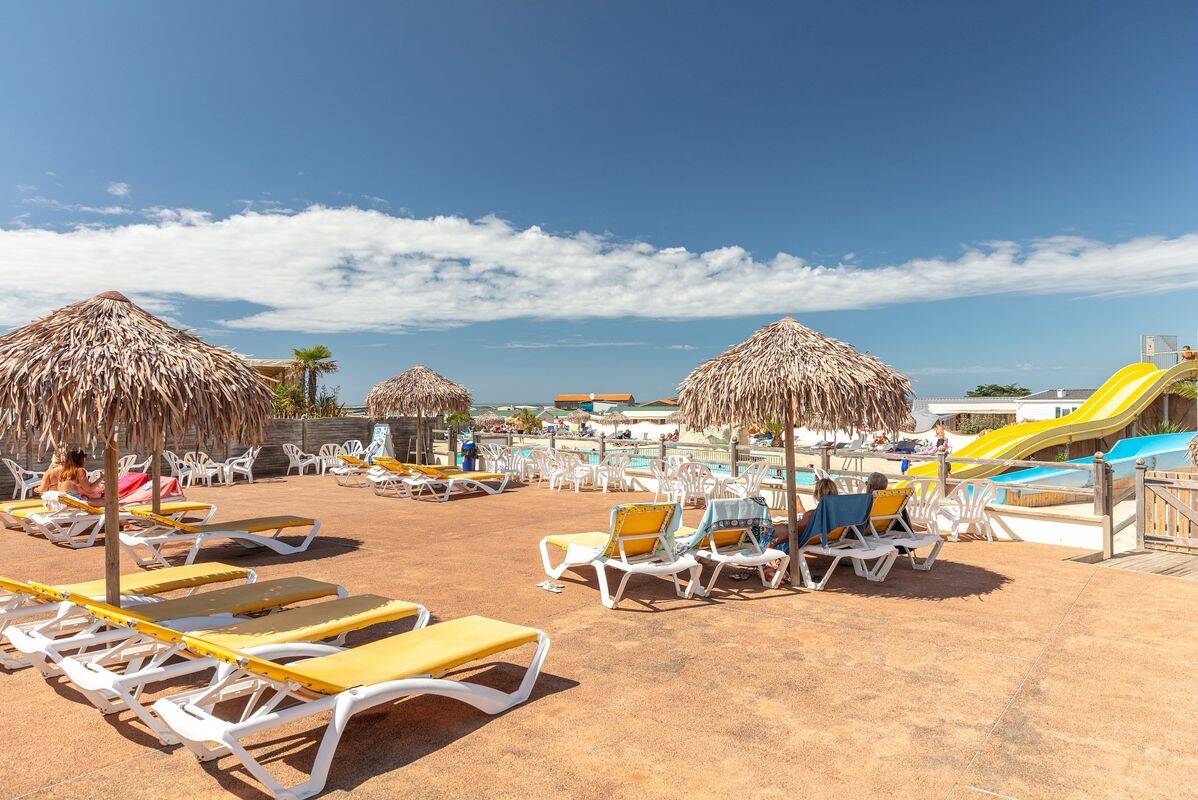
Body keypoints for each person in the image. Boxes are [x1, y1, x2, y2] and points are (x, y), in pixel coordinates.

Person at [762, 478, 838, 582]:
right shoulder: (837, 514)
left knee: (763, 531)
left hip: (792, 539)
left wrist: (774, 542)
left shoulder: (812, 515)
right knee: (779, 526)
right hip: (820, 538)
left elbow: (794, 531)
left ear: (817, 494)